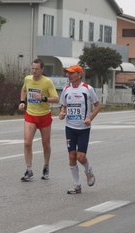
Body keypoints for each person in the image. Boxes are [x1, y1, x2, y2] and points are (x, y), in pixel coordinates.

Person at [58, 65, 100, 194]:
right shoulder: (66, 89)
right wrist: (62, 113)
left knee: (81, 157)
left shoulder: (87, 89)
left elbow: (98, 106)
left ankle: (88, 170)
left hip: (83, 128)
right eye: (68, 73)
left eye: (71, 73)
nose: (69, 76)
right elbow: (63, 106)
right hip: (70, 127)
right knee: (71, 156)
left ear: (79, 75)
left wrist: (90, 118)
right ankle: (77, 185)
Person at [18, 58, 59, 182]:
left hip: (44, 115)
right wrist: (22, 101)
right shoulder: (27, 79)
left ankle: (46, 167)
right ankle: (29, 170)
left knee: (46, 144)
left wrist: (42, 98)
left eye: (36, 69)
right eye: (32, 68)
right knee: (27, 143)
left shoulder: (47, 82)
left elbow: (56, 99)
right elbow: (24, 89)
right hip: (31, 114)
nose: (34, 71)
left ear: (42, 69)